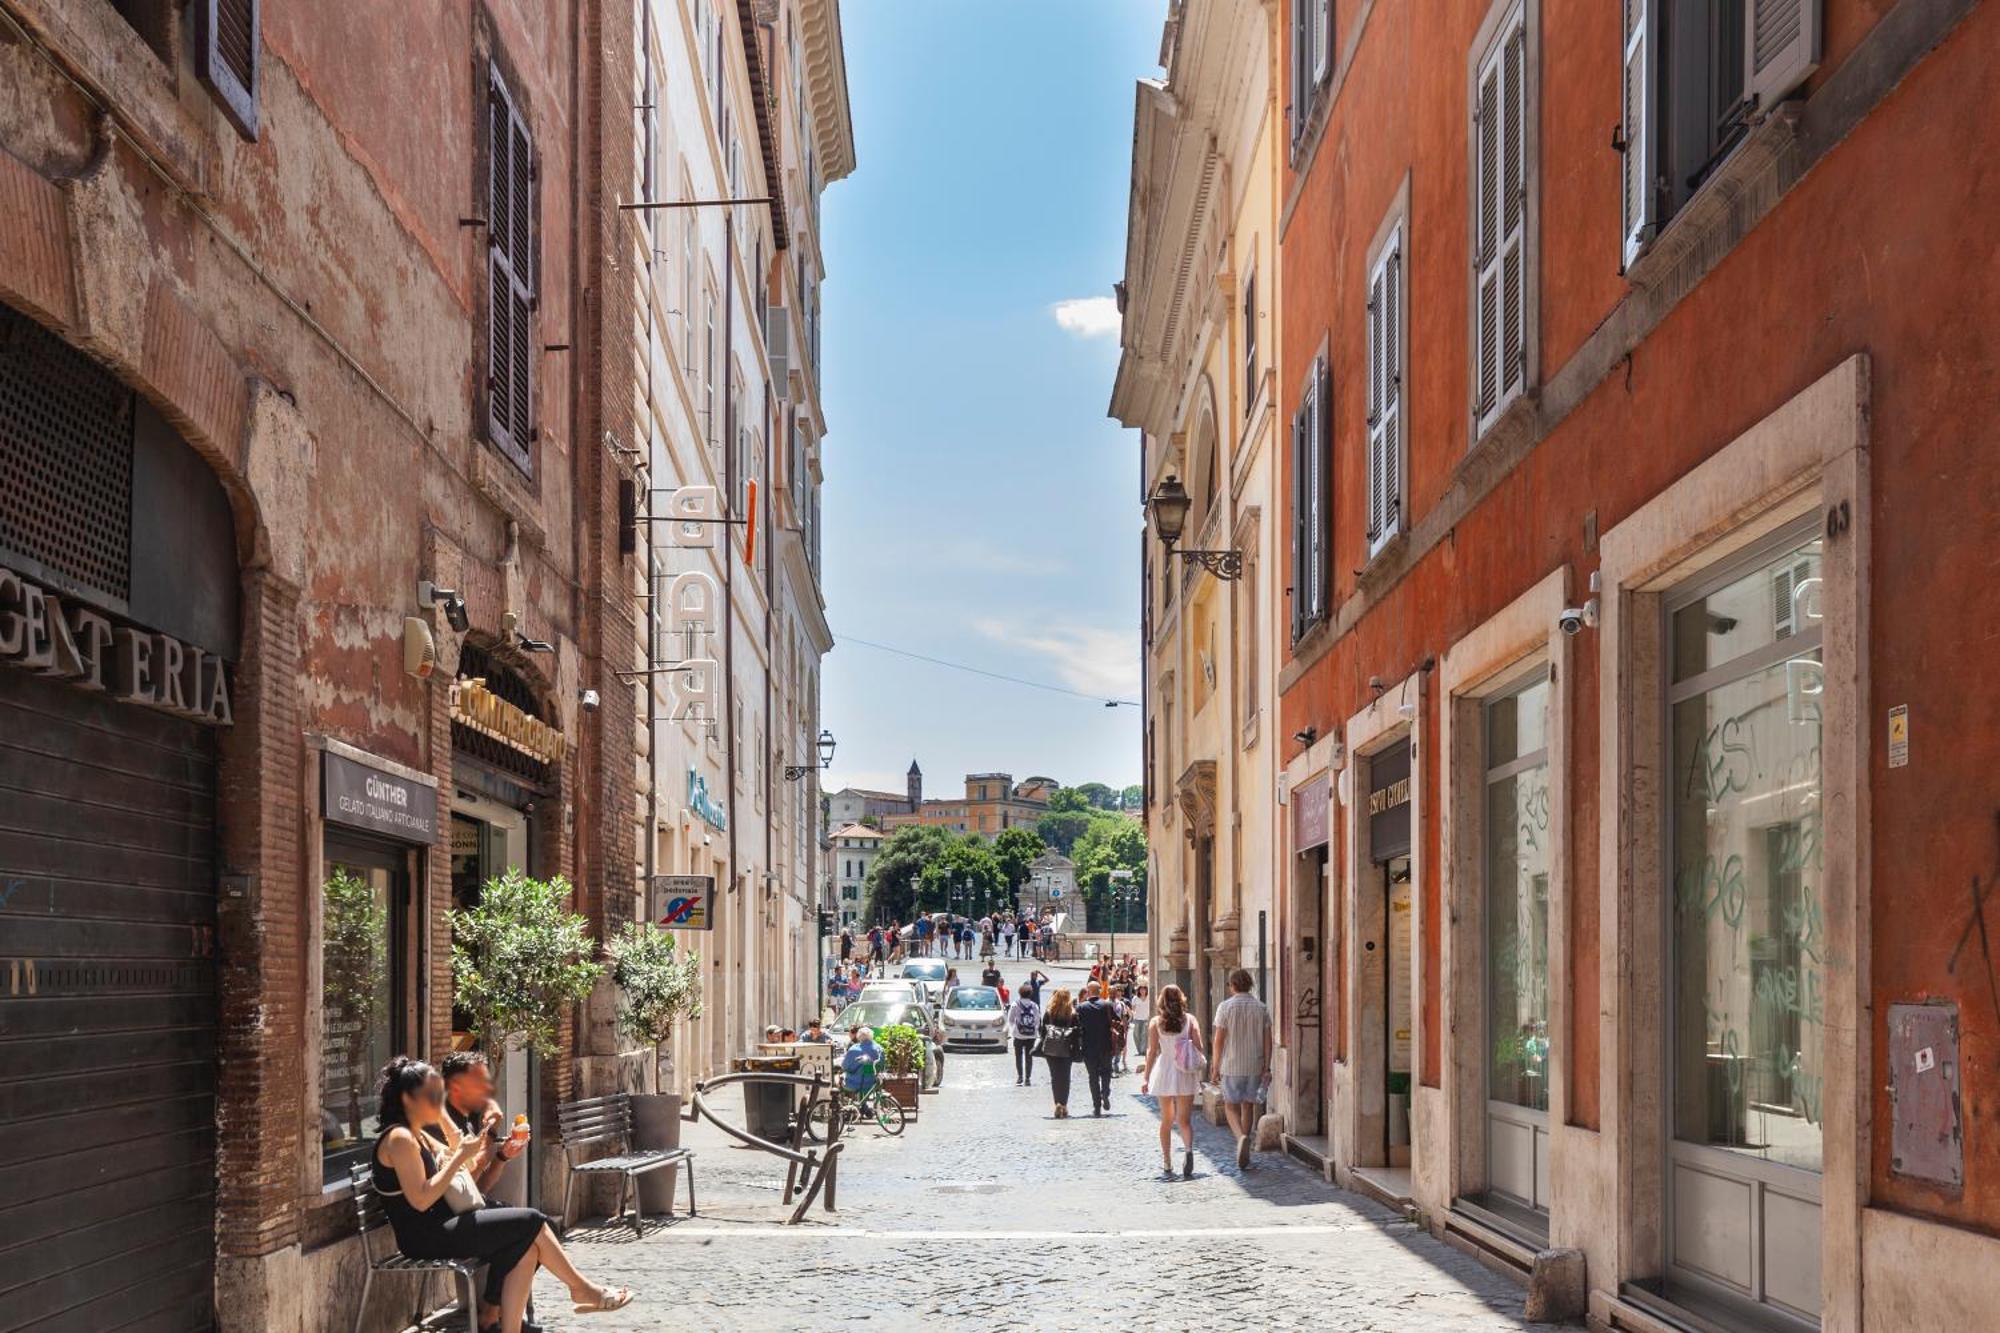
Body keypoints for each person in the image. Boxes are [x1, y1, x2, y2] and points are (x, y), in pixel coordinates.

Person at [372, 1057, 631, 1332]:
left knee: (529, 1244)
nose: (440, 1099)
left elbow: (469, 1162)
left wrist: (446, 1123)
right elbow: (420, 1199)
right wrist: (459, 1157)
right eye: (433, 1094)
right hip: (425, 1235)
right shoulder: (399, 1139)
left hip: (443, 1223)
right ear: (410, 1099)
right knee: (531, 1221)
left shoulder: (418, 1134)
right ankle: (582, 1289)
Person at [1210, 969, 1273, 1169]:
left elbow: (1218, 1040)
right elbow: (1268, 1041)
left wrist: (1215, 1066)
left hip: (1232, 1064)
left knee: (1230, 1105)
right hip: (1255, 1064)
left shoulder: (1225, 1007)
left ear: (1232, 986)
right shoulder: (1261, 1008)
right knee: (1248, 1105)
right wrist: (1267, 1065)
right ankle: (1245, 1141)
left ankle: (1240, 1139)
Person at [1141, 985, 1205, 1179]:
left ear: (1161, 1000)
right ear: (1181, 998)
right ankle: (1188, 1150)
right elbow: (1199, 1047)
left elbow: (1152, 1051)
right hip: (1184, 1071)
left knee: (1167, 1120)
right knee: (1184, 1120)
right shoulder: (1190, 1020)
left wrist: (1145, 1077)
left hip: (1165, 1071)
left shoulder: (1156, 1023)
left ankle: (1167, 1161)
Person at [1074, 982, 1117, 1115]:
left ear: (1088, 991)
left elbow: (1077, 1026)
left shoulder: (1081, 1007)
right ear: (1100, 990)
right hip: (1105, 1045)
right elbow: (1117, 1020)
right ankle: (1105, 1093)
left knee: (1093, 1077)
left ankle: (1097, 1105)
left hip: (1088, 1047)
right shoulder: (1107, 1005)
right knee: (1106, 1072)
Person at [1039, 987, 1081, 1117]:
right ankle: (1064, 1104)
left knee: (1055, 1077)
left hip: (1051, 1049)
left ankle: (1057, 1103)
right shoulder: (1072, 1014)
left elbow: (1042, 1032)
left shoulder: (1049, 1013)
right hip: (1066, 1049)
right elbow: (1077, 1033)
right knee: (1065, 1077)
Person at [1006, 986, 1042, 1087]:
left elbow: (1010, 1019)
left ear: (1020, 993)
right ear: (1030, 994)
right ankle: (1028, 1078)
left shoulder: (1015, 1004)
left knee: (1018, 1056)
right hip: (1031, 1035)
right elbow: (1037, 1020)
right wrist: (1034, 1030)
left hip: (1018, 1035)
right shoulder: (1034, 1005)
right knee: (1029, 1057)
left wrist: (1013, 1031)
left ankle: (1020, 1077)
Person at [842, 1026, 884, 1093]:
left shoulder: (854, 1049)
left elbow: (845, 1067)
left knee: (838, 1078)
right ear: (871, 1036)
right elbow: (882, 1065)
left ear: (858, 1037)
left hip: (856, 1083)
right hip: (874, 1082)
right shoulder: (879, 1049)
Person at [1129, 983, 1152, 1061]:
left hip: (1146, 1018)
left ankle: (1143, 1050)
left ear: (1146, 990)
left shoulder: (1149, 998)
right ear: (1139, 991)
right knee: (1136, 1034)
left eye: (1144, 989)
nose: (1142, 991)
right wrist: (1132, 1014)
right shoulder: (1135, 998)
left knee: (1144, 1034)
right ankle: (1139, 1049)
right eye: (1141, 989)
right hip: (1137, 1018)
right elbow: (1133, 1008)